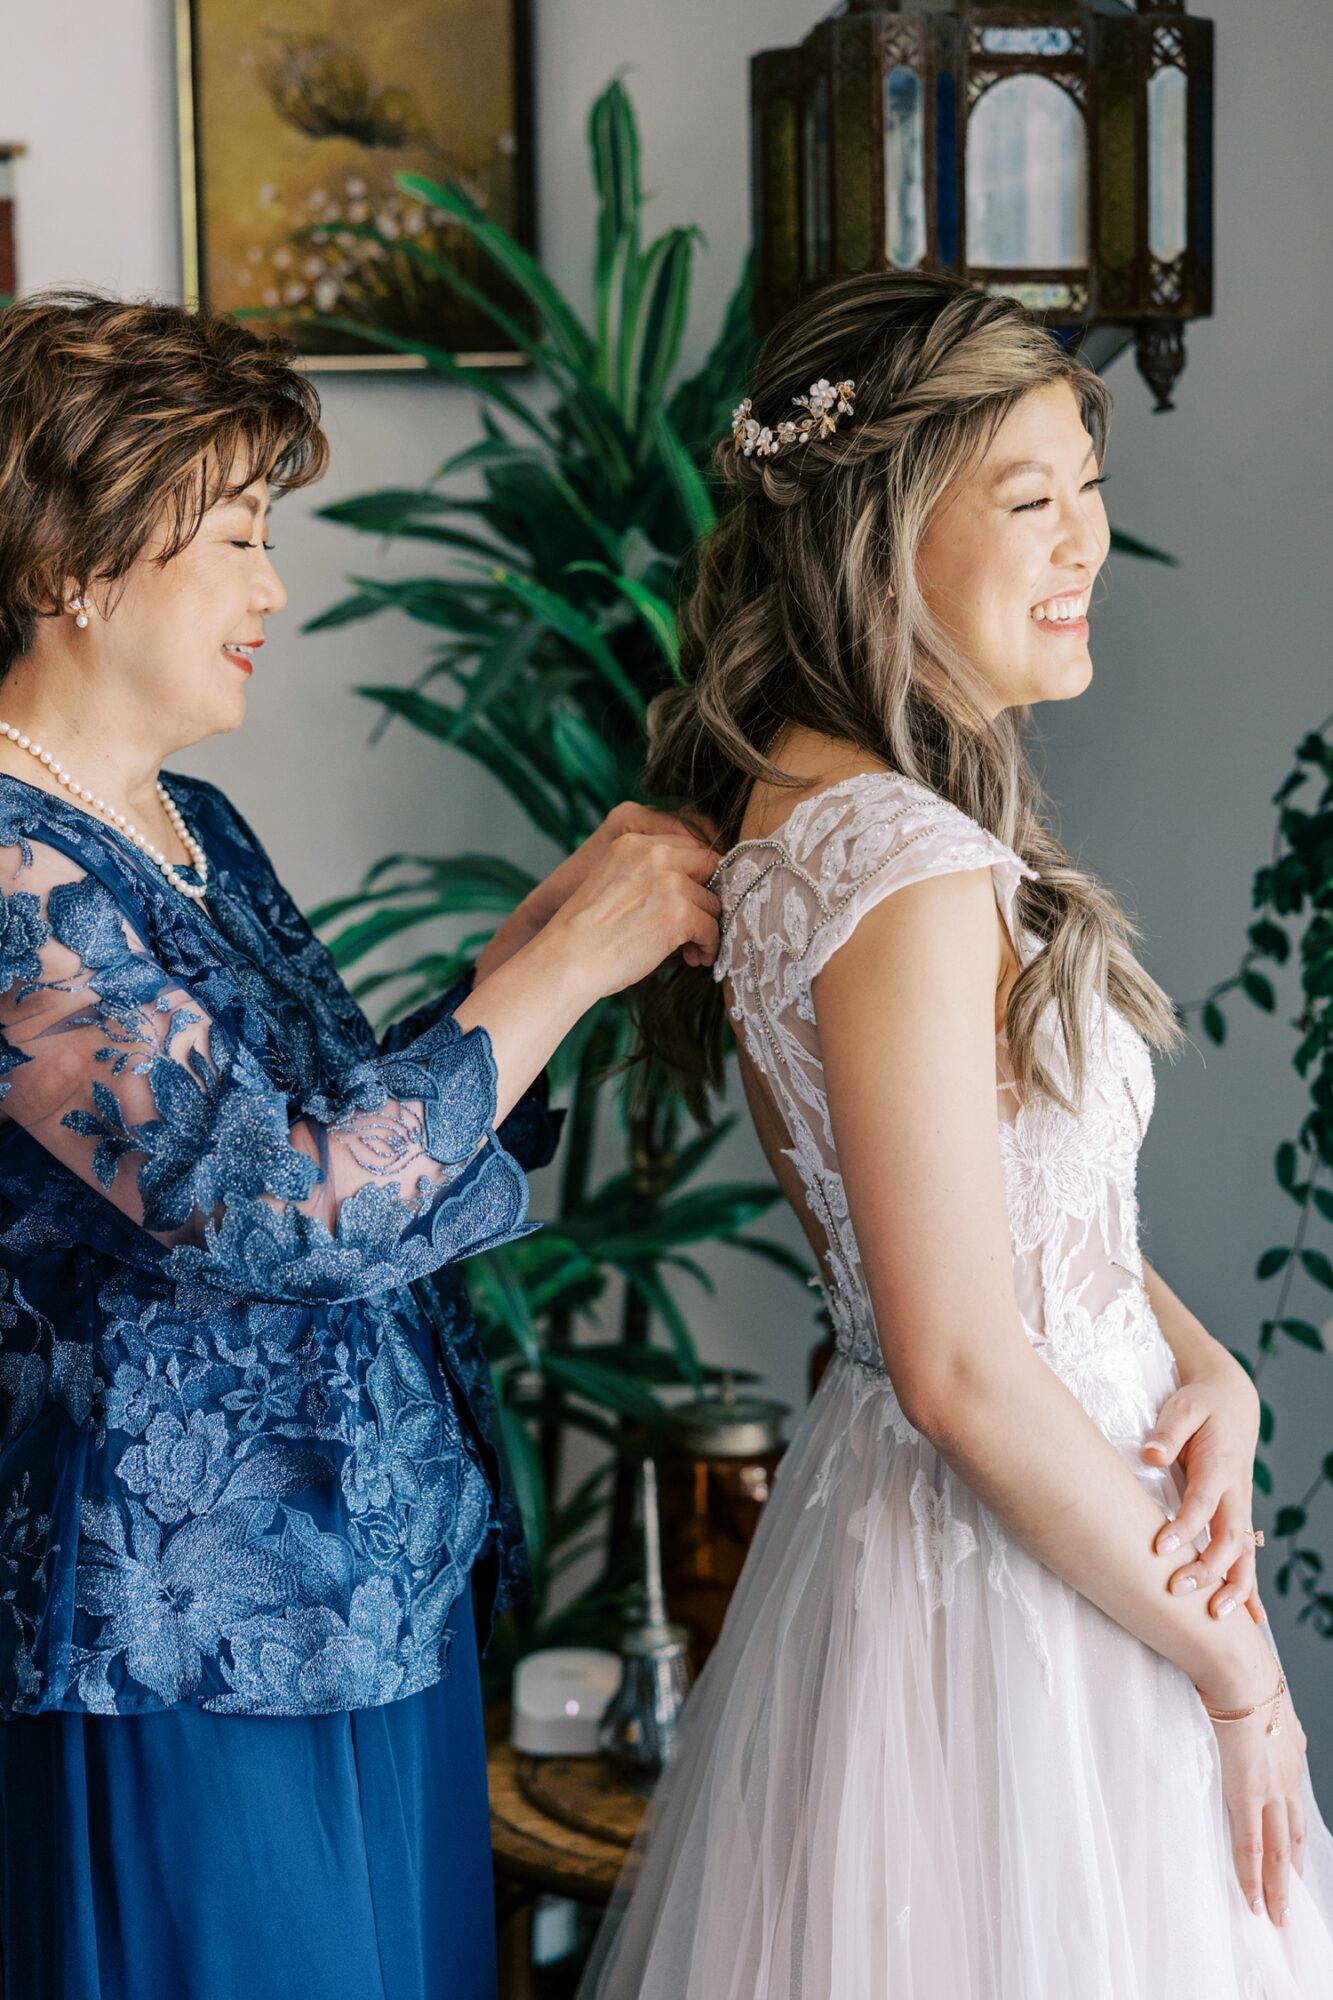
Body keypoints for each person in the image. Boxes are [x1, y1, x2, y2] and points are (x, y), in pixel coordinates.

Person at [573, 271, 1333, 1998]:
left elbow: (997, 1213)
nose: (1083, 547)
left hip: (1029, 1529)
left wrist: (1207, 1360)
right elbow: (959, 1365)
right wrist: (1234, 1674)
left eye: (1090, 490)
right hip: (1016, 1581)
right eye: (1026, 500)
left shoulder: (814, 814)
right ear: (881, 532)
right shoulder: (901, 862)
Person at [0, 289, 720, 2000]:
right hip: (177, 1650)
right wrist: (553, 974)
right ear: (69, 563)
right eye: (237, 538)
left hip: (369, 1596)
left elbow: (344, 1149)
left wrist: (521, 972)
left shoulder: (188, 824)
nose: (273, 589)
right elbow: (278, 1211)